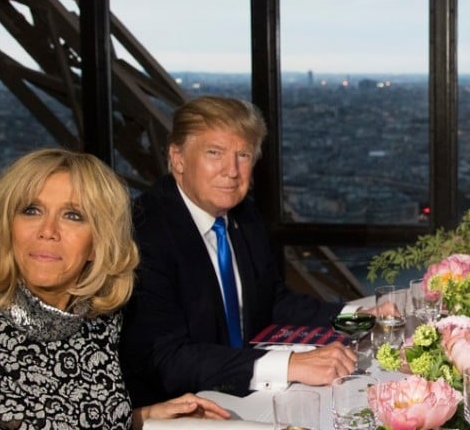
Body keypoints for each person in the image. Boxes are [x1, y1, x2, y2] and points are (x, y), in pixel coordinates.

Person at [0, 148, 230, 429]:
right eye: (31, 211)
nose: (47, 230)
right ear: (8, 228)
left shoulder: (101, 323)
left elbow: (78, 418)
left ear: (98, 244)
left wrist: (142, 418)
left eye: (73, 215)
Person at [120, 95, 360, 407]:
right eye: (214, 153)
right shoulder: (145, 233)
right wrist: (288, 365)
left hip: (247, 394)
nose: (232, 171)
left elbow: (273, 300)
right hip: (184, 408)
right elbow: (167, 359)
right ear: (177, 158)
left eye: (243, 155)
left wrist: (355, 316)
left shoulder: (243, 215)